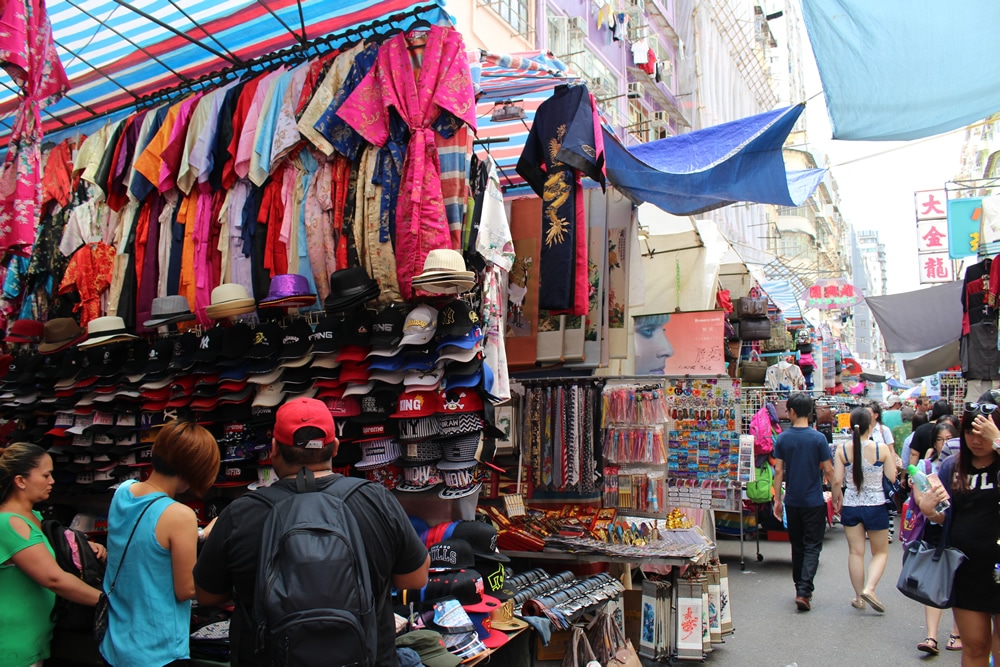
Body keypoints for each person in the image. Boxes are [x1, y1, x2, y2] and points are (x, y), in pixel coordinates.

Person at [194, 397, 430, 667]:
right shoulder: (375, 501)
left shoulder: (241, 514)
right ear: (336, 447)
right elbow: (415, 578)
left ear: (273, 449)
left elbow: (207, 596)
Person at [100, 421, 221, 667]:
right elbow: (186, 590)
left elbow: (148, 536)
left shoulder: (123, 491)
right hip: (158, 650)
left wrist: (198, 534)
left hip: (114, 644)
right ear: (194, 468)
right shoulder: (180, 515)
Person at [0, 442, 104, 667]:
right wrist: (108, 602)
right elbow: (53, 578)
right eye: (45, 475)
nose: (52, 481)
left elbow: (57, 555)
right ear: (20, 481)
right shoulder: (10, 523)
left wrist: (88, 549)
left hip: (32, 642)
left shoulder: (33, 518)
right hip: (11, 646)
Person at [916, 398, 1000, 667]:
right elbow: (947, 516)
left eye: (983, 433)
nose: (976, 440)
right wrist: (930, 511)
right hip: (966, 568)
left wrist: (998, 440)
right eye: (970, 433)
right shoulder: (953, 466)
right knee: (974, 645)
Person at [772, 392, 842, 611]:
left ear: (792, 412)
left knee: (798, 545)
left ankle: (800, 588)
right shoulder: (818, 438)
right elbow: (829, 470)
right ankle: (804, 590)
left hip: (792, 500)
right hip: (813, 500)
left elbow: (779, 471)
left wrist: (777, 499)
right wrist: (837, 494)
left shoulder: (783, 437)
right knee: (813, 545)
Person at [833, 407, 895, 613]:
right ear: (872, 425)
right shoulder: (882, 449)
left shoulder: (842, 450)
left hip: (851, 505)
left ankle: (859, 597)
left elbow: (836, 480)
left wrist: (836, 499)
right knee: (880, 552)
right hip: (876, 505)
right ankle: (870, 588)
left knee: (855, 553)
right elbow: (892, 477)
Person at [912, 421, 962, 655]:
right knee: (935, 580)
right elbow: (920, 501)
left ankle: (956, 632)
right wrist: (931, 507)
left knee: (959, 579)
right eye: (940, 440)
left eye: (949, 439)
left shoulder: (965, 468)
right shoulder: (927, 465)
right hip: (934, 529)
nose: (945, 444)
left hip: (961, 531)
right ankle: (931, 636)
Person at [909, 400, 953, 466]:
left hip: (924, 471)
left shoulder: (921, 429)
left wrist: (912, 473)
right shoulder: (952, 428)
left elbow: (914, 454)